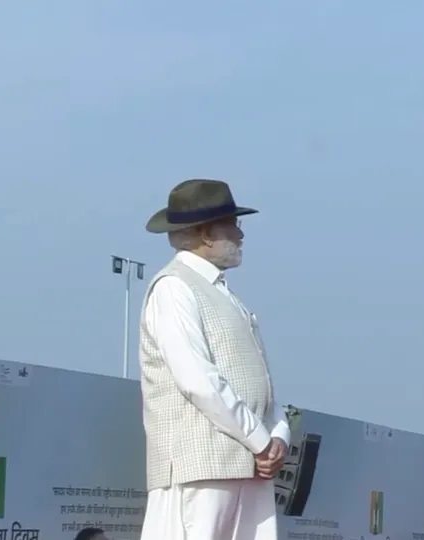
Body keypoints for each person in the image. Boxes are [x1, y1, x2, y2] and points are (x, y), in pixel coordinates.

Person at [138, 179, 290, 540]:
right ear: (206, 234)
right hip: (200, 468)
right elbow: (197, 379)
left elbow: (260, 382)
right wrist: (262, 440)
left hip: (248, 465)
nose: (240, 236)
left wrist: (278, 433)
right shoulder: (174, 287)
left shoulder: (224, 294)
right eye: (233, 226)